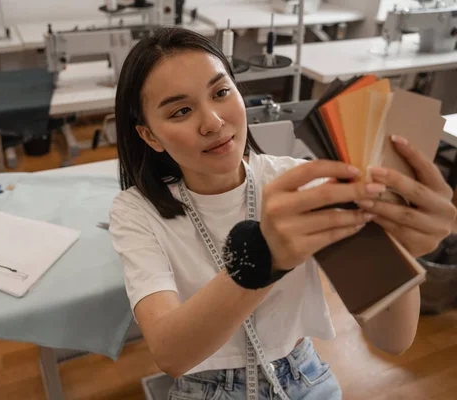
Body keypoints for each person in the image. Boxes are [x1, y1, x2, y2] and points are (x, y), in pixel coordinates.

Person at [108, 27, 456, 399]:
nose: (212, 122)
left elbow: (393, 338)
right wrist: (263, 258)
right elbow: (170, 354)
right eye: (181, 111)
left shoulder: (296, 183)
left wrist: (399, 246)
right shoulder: (136, 212)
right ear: (150, 136)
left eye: (221, 92)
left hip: (304, 376)